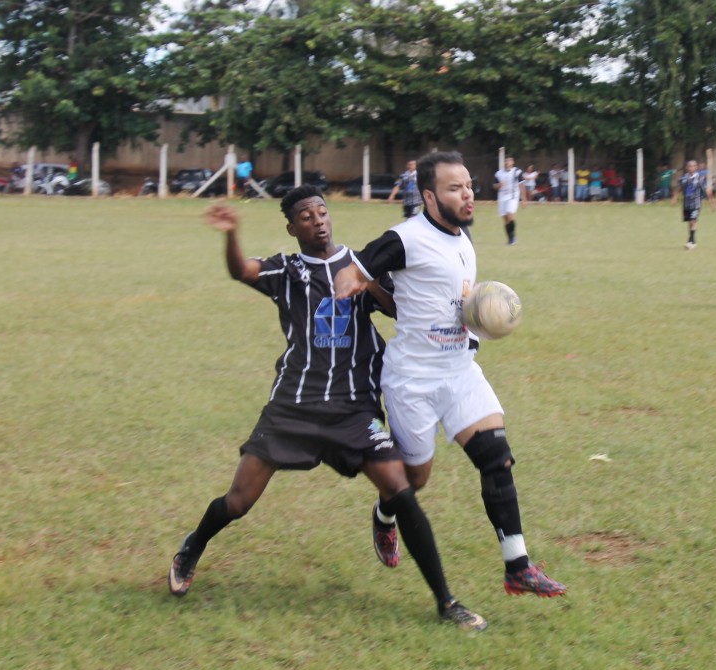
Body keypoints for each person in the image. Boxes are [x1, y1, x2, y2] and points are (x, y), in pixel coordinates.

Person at [167, 187, 487, 631]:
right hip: (294, 405)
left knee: (401, 491)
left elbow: (398, 309)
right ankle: (192, 546)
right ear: (291, 227)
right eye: (306, 216)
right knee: (238, 501)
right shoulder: (287, 270)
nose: (318, 221)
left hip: (353, 408)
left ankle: (445, 602)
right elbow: (241, 270)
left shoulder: (360, 265)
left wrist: (368, 280)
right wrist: (231, 233)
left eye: (322, 212)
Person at [334, 151, 567, 598]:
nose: (468, 195)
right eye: (455, 188)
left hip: (460, 371)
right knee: (414, 480)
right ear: (429, 196)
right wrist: (351, 283)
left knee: (496, 458)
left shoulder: (464, 239)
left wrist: (478, 326)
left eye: (469, 186)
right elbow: (357, 267)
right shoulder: (405, 238)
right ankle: (384, 516)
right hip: (412, 380)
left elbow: (459, 301)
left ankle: (518, 566)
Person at [674, 159, 716, 249]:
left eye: (693, 166)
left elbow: (707, 191)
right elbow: (679, 188)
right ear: (687, 167)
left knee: (693, 221)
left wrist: (712, 203)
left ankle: (691, 241)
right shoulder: (684, 178)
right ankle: (692, 240)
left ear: (696, 167)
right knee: (690, 222)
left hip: (696, 204)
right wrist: (675, 198)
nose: (691, 168)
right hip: (686, 204)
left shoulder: (700, 178)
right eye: (689, 166)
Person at [493, 155, 524, 245]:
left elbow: (521, 184)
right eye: (506, 161)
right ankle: (510, 238)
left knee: (509, 214)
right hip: (502, 197)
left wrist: (524, 198)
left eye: (509, 160)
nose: (507, 162)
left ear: (513, 162)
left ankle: (513, 237)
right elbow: (494, 185)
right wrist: (498, 185)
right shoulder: (499, 173)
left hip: (513, 196)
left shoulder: (517, 172)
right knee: (505, 219)